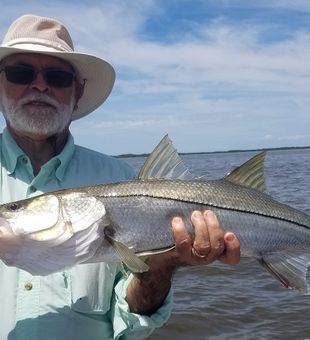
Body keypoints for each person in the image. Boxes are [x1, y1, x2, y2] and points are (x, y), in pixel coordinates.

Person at [0, 14, 240, 340]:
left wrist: (160, 269)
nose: (39, 85)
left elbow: (130, 322)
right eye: (20, 72)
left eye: (57, 76)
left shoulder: (122, 178)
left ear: (78, 91)